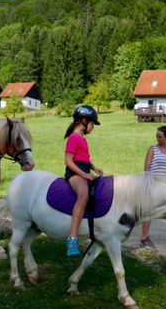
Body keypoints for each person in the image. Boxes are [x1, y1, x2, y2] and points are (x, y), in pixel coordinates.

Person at [64, 105, 104, 257]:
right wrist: (85, 175)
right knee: (83, 194)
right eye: (93, 124)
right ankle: (72, 239)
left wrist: (94, 168)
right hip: (74, 173)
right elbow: (68, 161)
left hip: (84, 170)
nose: (93, 128)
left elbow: (84, 159)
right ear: (84, 121)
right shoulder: (74, 138)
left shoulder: (81, 139)